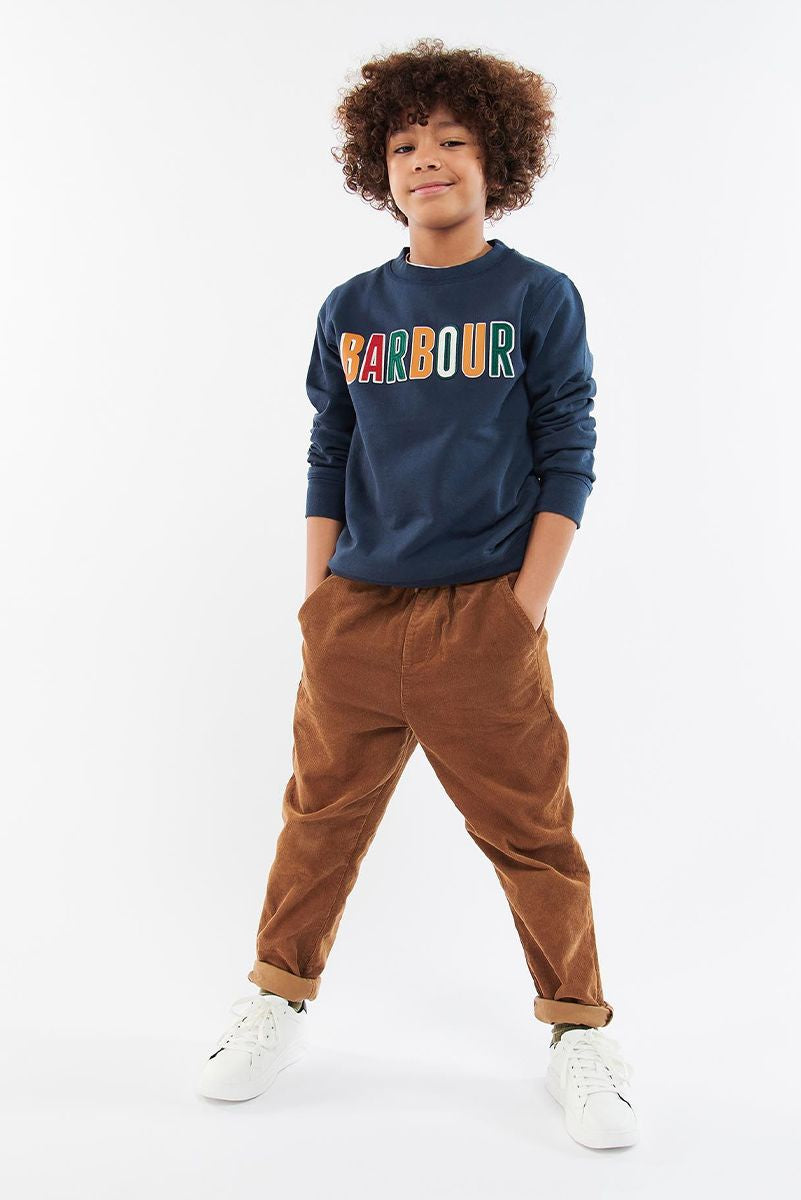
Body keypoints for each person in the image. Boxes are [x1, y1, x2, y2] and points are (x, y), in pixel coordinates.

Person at [197, 37, 638, 1150]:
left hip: (483, 617)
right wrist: (318, 600)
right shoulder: (353, 307)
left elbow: (569, 451)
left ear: (498, 161)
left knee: (533, 837)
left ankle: (579, 1032)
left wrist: (521, 609)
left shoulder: (536, 297)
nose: (426, 160)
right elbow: (328, 450)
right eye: (403, 145)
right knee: (318, 827)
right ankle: (276, 998)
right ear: (377, 168)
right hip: (355, 614)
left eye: (451, 140)